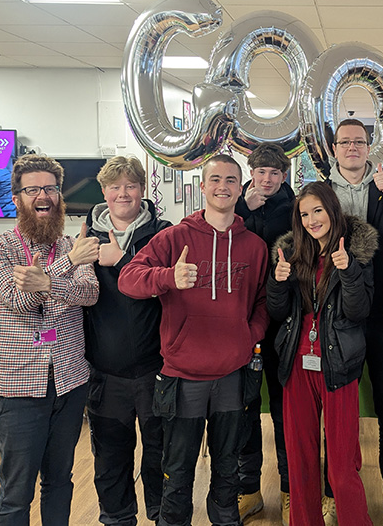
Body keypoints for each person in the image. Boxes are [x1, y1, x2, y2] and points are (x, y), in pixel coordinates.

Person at [118, 154, 270, 526]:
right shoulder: (174, 238)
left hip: (232, 374)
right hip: (183, 375)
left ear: (241, 188)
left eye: (231, 180)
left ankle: (225, 519)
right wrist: (167, 278)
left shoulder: (255, 246)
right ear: (202, 186)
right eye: (215, 179)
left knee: (228, 467)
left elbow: (263, 302)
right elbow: (128, 279)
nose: (223, 187)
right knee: (177, 468)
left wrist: (248, 335)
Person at [0, 154, 100, 524]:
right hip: (19, 390)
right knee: (16, 493)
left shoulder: (72, 243)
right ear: (16, 198)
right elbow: (19, 301)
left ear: (60, 196)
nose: (43, 195)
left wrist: (46, 281)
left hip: (69, 383)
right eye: (33, 190)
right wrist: (66, 268)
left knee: (60, 481)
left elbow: (89, 293)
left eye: (50, 188)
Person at [324, 118, 383, 525]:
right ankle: (333, 494)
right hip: (337, 313)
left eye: (359, 142)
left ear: (369, 147)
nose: (352, 147)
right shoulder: (321, 191)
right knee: (337, 415)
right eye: (344, 142)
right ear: (334, 149)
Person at [267, 181, 377, 526]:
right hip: (296, 364)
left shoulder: (354, 252)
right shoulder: (290, 254)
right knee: (300, 461)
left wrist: (349, 271)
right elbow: (277, 311)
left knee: (342, 468)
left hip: (338, 364)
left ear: (332, 210)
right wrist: (277, 282)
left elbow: (359, 311)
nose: (312, 220)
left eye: (318, 211)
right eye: (304, 214)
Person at [83, 156, 172, 525]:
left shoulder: (164, 235)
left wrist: (121, 261)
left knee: (161, 455)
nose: (123, 193)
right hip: (106, 373)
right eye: (115, 187)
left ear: (142, 190)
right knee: (110, 460)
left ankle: (163, 516)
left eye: (130, 186)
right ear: (104, 192)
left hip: (157, 369)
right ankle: (117, 519)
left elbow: (167, 287)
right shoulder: (85, 239)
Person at [234, 142, 295, 523]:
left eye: (274, 173)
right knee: (244, 407)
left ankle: (290, 489)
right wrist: (244, 209)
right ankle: (249, 489)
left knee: (285, 410)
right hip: (240, 320)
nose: (267, 179)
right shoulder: (235, 205)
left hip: (282, 320)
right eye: (261, 172)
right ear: (251, 173)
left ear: (284, 176)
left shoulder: (295, 210)